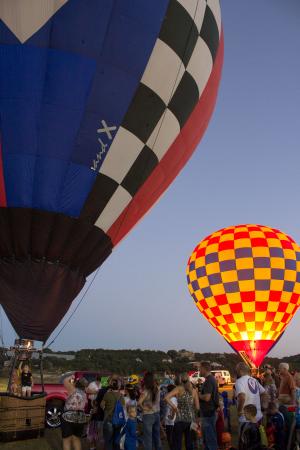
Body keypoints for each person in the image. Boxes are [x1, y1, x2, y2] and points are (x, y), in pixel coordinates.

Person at [62, 375, 88, 450]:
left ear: (77, 383)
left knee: (66, 440)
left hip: (68, 417)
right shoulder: (84, 394)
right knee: (77, 439)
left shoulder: (73, 390)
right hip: (80, 418)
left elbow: (65, 381)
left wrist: (71, 376)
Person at [138, 372, 161, 450]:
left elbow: (139, 403)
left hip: (148, 415)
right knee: (157, 437)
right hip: (157, 414)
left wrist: (144, 408)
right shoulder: (157, 389)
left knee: (148, 439)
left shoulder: (146, 391)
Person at [199, 361, 219, 450]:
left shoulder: (209, 380)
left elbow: (207, 397)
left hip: (208, 412)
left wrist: (198, 395)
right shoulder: (211, 379)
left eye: (200, 368)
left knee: (210, 438)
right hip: (210, 411)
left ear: (204, 369)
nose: (199, 370)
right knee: (209, 437)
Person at [101, 377, 125, 450]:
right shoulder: (121, 396)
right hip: (118, 421)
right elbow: (123, 407)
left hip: (109, 419)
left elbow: (102, 405)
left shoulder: (107, 394)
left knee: (108, 441)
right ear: (118, 386)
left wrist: (106, 410)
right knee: (116, 440)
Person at [163, 384, 177, 449]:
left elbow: (174, 408)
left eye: (167, 389)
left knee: (170, 438)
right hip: (169, 421)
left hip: (171, 421)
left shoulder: (173, 398)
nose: (166, 391)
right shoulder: (170, 398)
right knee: (170, 438)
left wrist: (172, 417)